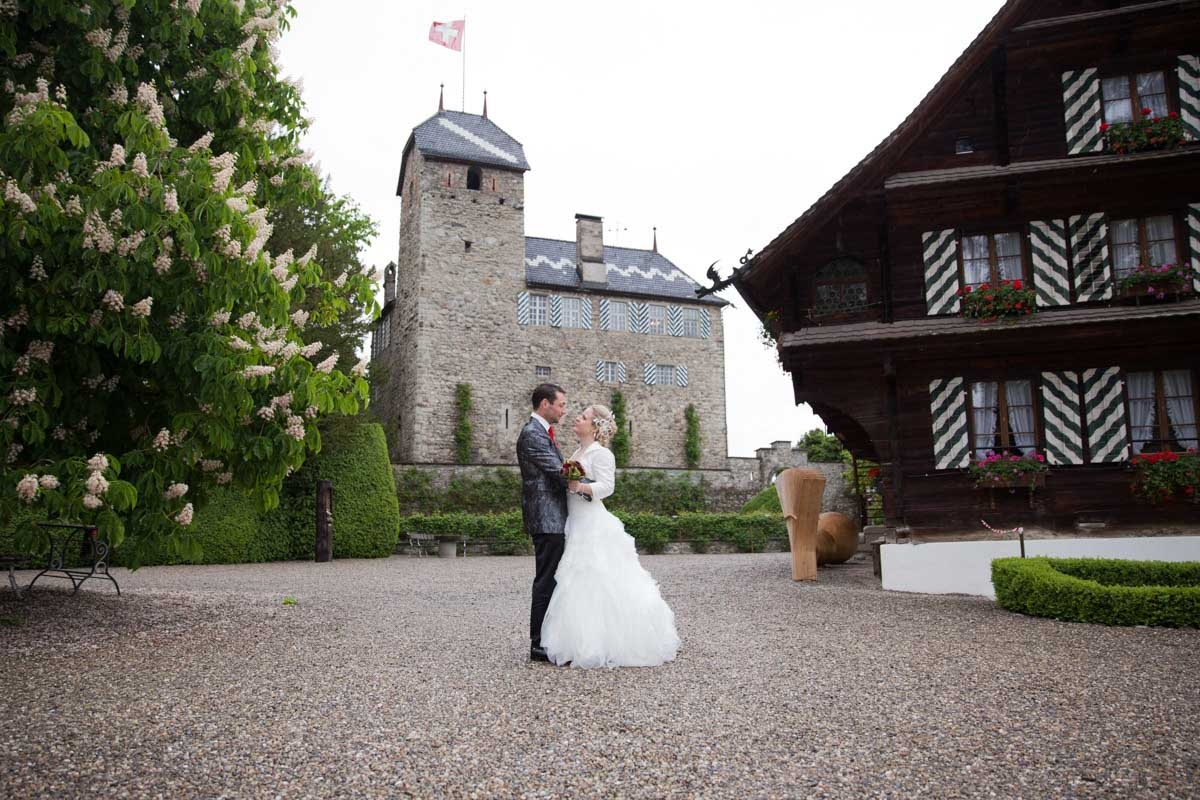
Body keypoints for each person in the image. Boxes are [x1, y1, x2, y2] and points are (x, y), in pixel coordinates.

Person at [540, 405, 681, 668]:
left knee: (597, 575)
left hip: (591, 520)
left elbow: (607, 486)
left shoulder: (601, 454)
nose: (576, 419)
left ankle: (605, 642)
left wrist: (579, 486)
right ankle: (578, 640)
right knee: (577, 578)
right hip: (575, 520)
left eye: (582, 417)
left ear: (594, 427)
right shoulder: (577, 452)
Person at [516, 383, 569, 663]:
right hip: (547, 518)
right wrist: (592, 485)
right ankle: (538, 644)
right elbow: (558, 471)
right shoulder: (532, 433)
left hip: (554, 517)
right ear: (545, 404)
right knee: (546, 580)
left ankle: (551, 637)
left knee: (553, 579)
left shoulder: (542, 432)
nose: (564, 411)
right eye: (561, 404)